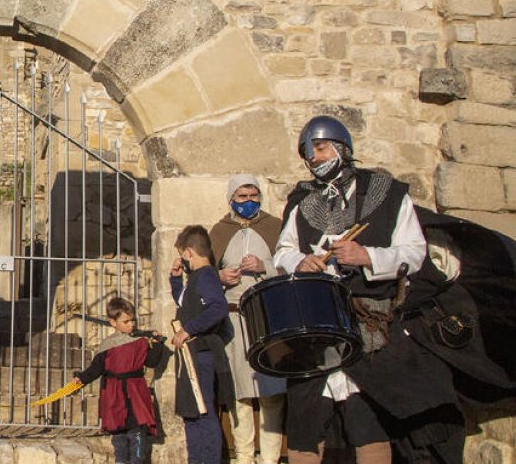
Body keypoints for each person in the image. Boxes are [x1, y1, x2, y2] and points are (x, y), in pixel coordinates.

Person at [273, 115, 427, 464]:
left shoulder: (386, 194)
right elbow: (282, 251)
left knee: (368, 421)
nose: (313, 158)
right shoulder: (301, 200)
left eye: (321, 147)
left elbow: (415, 253)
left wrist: (367, 256)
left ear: (343, 147)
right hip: (313, 324)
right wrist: (299, 261)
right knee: (304, 421)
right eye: (307, 153)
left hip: (368, 321)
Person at [209, 174, 286, 464]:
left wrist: (264, 265)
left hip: (267, 316)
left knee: (272, 391)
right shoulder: (220, 231)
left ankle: (269, 458)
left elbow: (291, 265)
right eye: (242, 196)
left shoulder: (274, 227)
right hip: (234, 318)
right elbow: (203, 275)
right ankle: (243, 456)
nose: (249, 201)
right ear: (231, 199)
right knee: (239, 392)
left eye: (254, 195)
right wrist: (220, 276)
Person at [69, 296, 165, 464]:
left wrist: (157, 344)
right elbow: (96, 369)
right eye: (126, 321)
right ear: (113, 322)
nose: (131, 324)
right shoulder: (108, 345)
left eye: (133, 320)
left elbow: (152, 362)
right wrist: (81, 379)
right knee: (118, 434)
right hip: (114, 393)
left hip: (136, 391)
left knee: (137, 431)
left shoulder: (141, 341)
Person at [170, 225, 234, 464]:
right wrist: (175, 279)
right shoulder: (195, 279)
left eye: (181, 255)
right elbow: (185, 301)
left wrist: (188, 329)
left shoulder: (206, 275)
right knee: (193, 413)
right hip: (191, 355)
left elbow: (218, 308)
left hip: (202, 354)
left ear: (188, 252)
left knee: (203, 412)